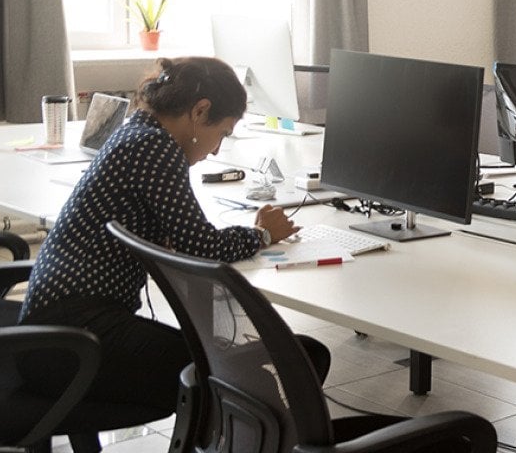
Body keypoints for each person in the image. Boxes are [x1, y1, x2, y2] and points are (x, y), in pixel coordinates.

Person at [19, 57, 323, 430]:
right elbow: (201, 246)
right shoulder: (154, 147)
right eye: (223, 133)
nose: (215, 151)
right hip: (72, 346)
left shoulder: (137, 131)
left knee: (249, 372)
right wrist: (261, 234)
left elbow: (186, 237)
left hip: (57, 333)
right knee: (265, 372)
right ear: (200, 111)